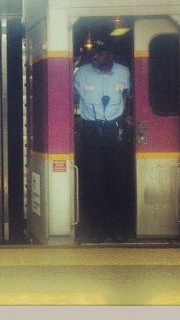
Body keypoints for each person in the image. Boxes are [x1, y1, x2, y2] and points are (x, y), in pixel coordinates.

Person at [73, 36, 133, 242]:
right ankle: (96, 230)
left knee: (117, 180)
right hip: (91, 130)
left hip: (115, 129)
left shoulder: (124, 73)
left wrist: (129, 118)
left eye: (100, 52)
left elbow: (131, 97)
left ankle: (117, 228)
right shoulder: (81, 73)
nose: (95, 56)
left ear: (111, 55)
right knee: (93, 181)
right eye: (93, 53)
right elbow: (69, 97)